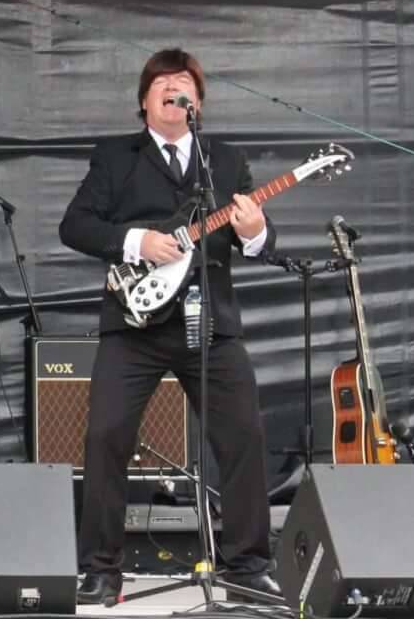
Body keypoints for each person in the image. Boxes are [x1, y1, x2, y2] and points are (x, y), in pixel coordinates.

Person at [59, 48, 279, 605]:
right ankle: (100, 570)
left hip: (211, 322)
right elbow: (75, 225)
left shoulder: (224, 160)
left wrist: (254, 229)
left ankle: (248, 566)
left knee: (243, 436)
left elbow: (257, 244)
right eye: (163, 82)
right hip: (135, 323)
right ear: (145, 100)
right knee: (106, 436)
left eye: (184, 84)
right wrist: (137, 241)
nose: (174, 89)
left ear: (197, 103)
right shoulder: (116, 157)